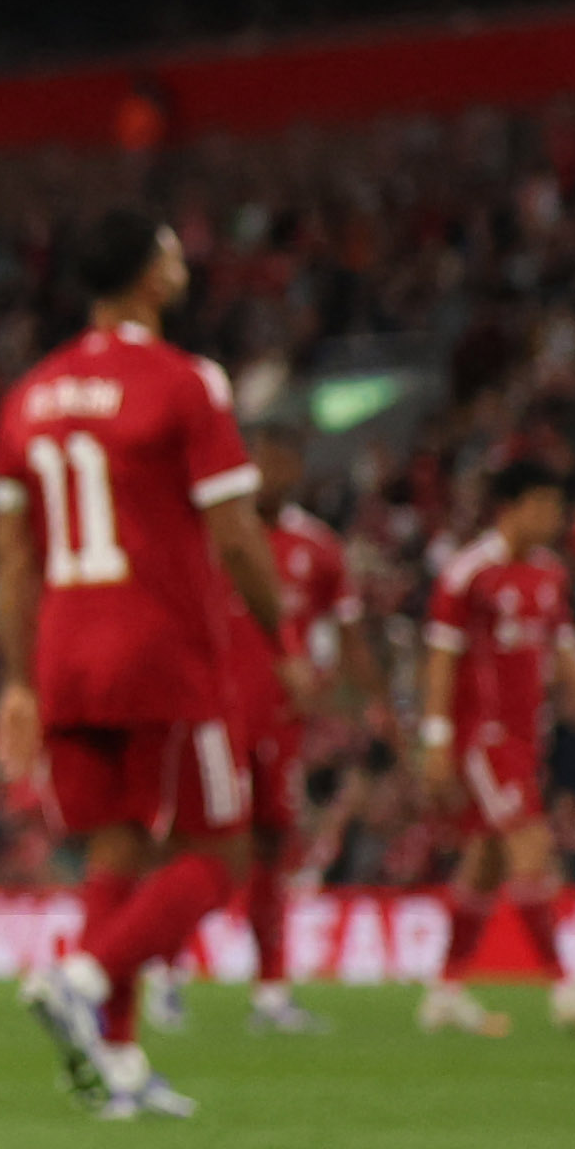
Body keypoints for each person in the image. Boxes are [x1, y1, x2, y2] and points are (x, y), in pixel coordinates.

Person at [0, 212, 283, 1119]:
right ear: (151, 279)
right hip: (161, 649)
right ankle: (83, 977)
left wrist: (19, 682)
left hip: (66, 651)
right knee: (220, 853)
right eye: (169, 249)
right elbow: (233, 532)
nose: (181, 258)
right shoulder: (184, 382)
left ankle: (114, 1061)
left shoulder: (28, 396)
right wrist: (284, 634)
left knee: (117, 844)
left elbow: (12, 558)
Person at [417, 455, 575, 1037]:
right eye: (548, 507)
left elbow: (565, 651)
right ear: (515, 508)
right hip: (483, 738)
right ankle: (564, 989)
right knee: (528, 843)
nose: (556, 518)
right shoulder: (469, 573)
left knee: (484, 862)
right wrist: (435, 739)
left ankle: (445, 991)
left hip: (525, 736)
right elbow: (441, 657)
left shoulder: (548, 575)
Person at [213, 427, 360, 1038]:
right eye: (261, 463)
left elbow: (336, 632)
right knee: (197, 846)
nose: (272, 475)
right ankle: (163, 975)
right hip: (211, 718)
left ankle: (271, 991)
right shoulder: (215, 536)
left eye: (283, 464)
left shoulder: (316, 548)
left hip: (280, 724)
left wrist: (342, 694)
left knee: (274, 845)